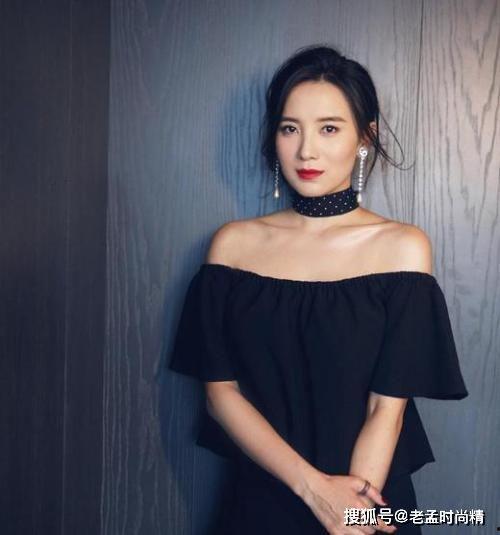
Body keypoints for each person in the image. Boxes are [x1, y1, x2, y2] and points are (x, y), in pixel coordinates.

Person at [168, 44, 468, 535]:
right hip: (260, 501)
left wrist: (351, 512)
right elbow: (220, 396)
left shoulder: (402, 247)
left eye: (329, 128)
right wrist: (313, 489)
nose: (306, 150)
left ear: (365, 137)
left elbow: (385, 410)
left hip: (369, 501)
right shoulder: (233, 245)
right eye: (290, 128)